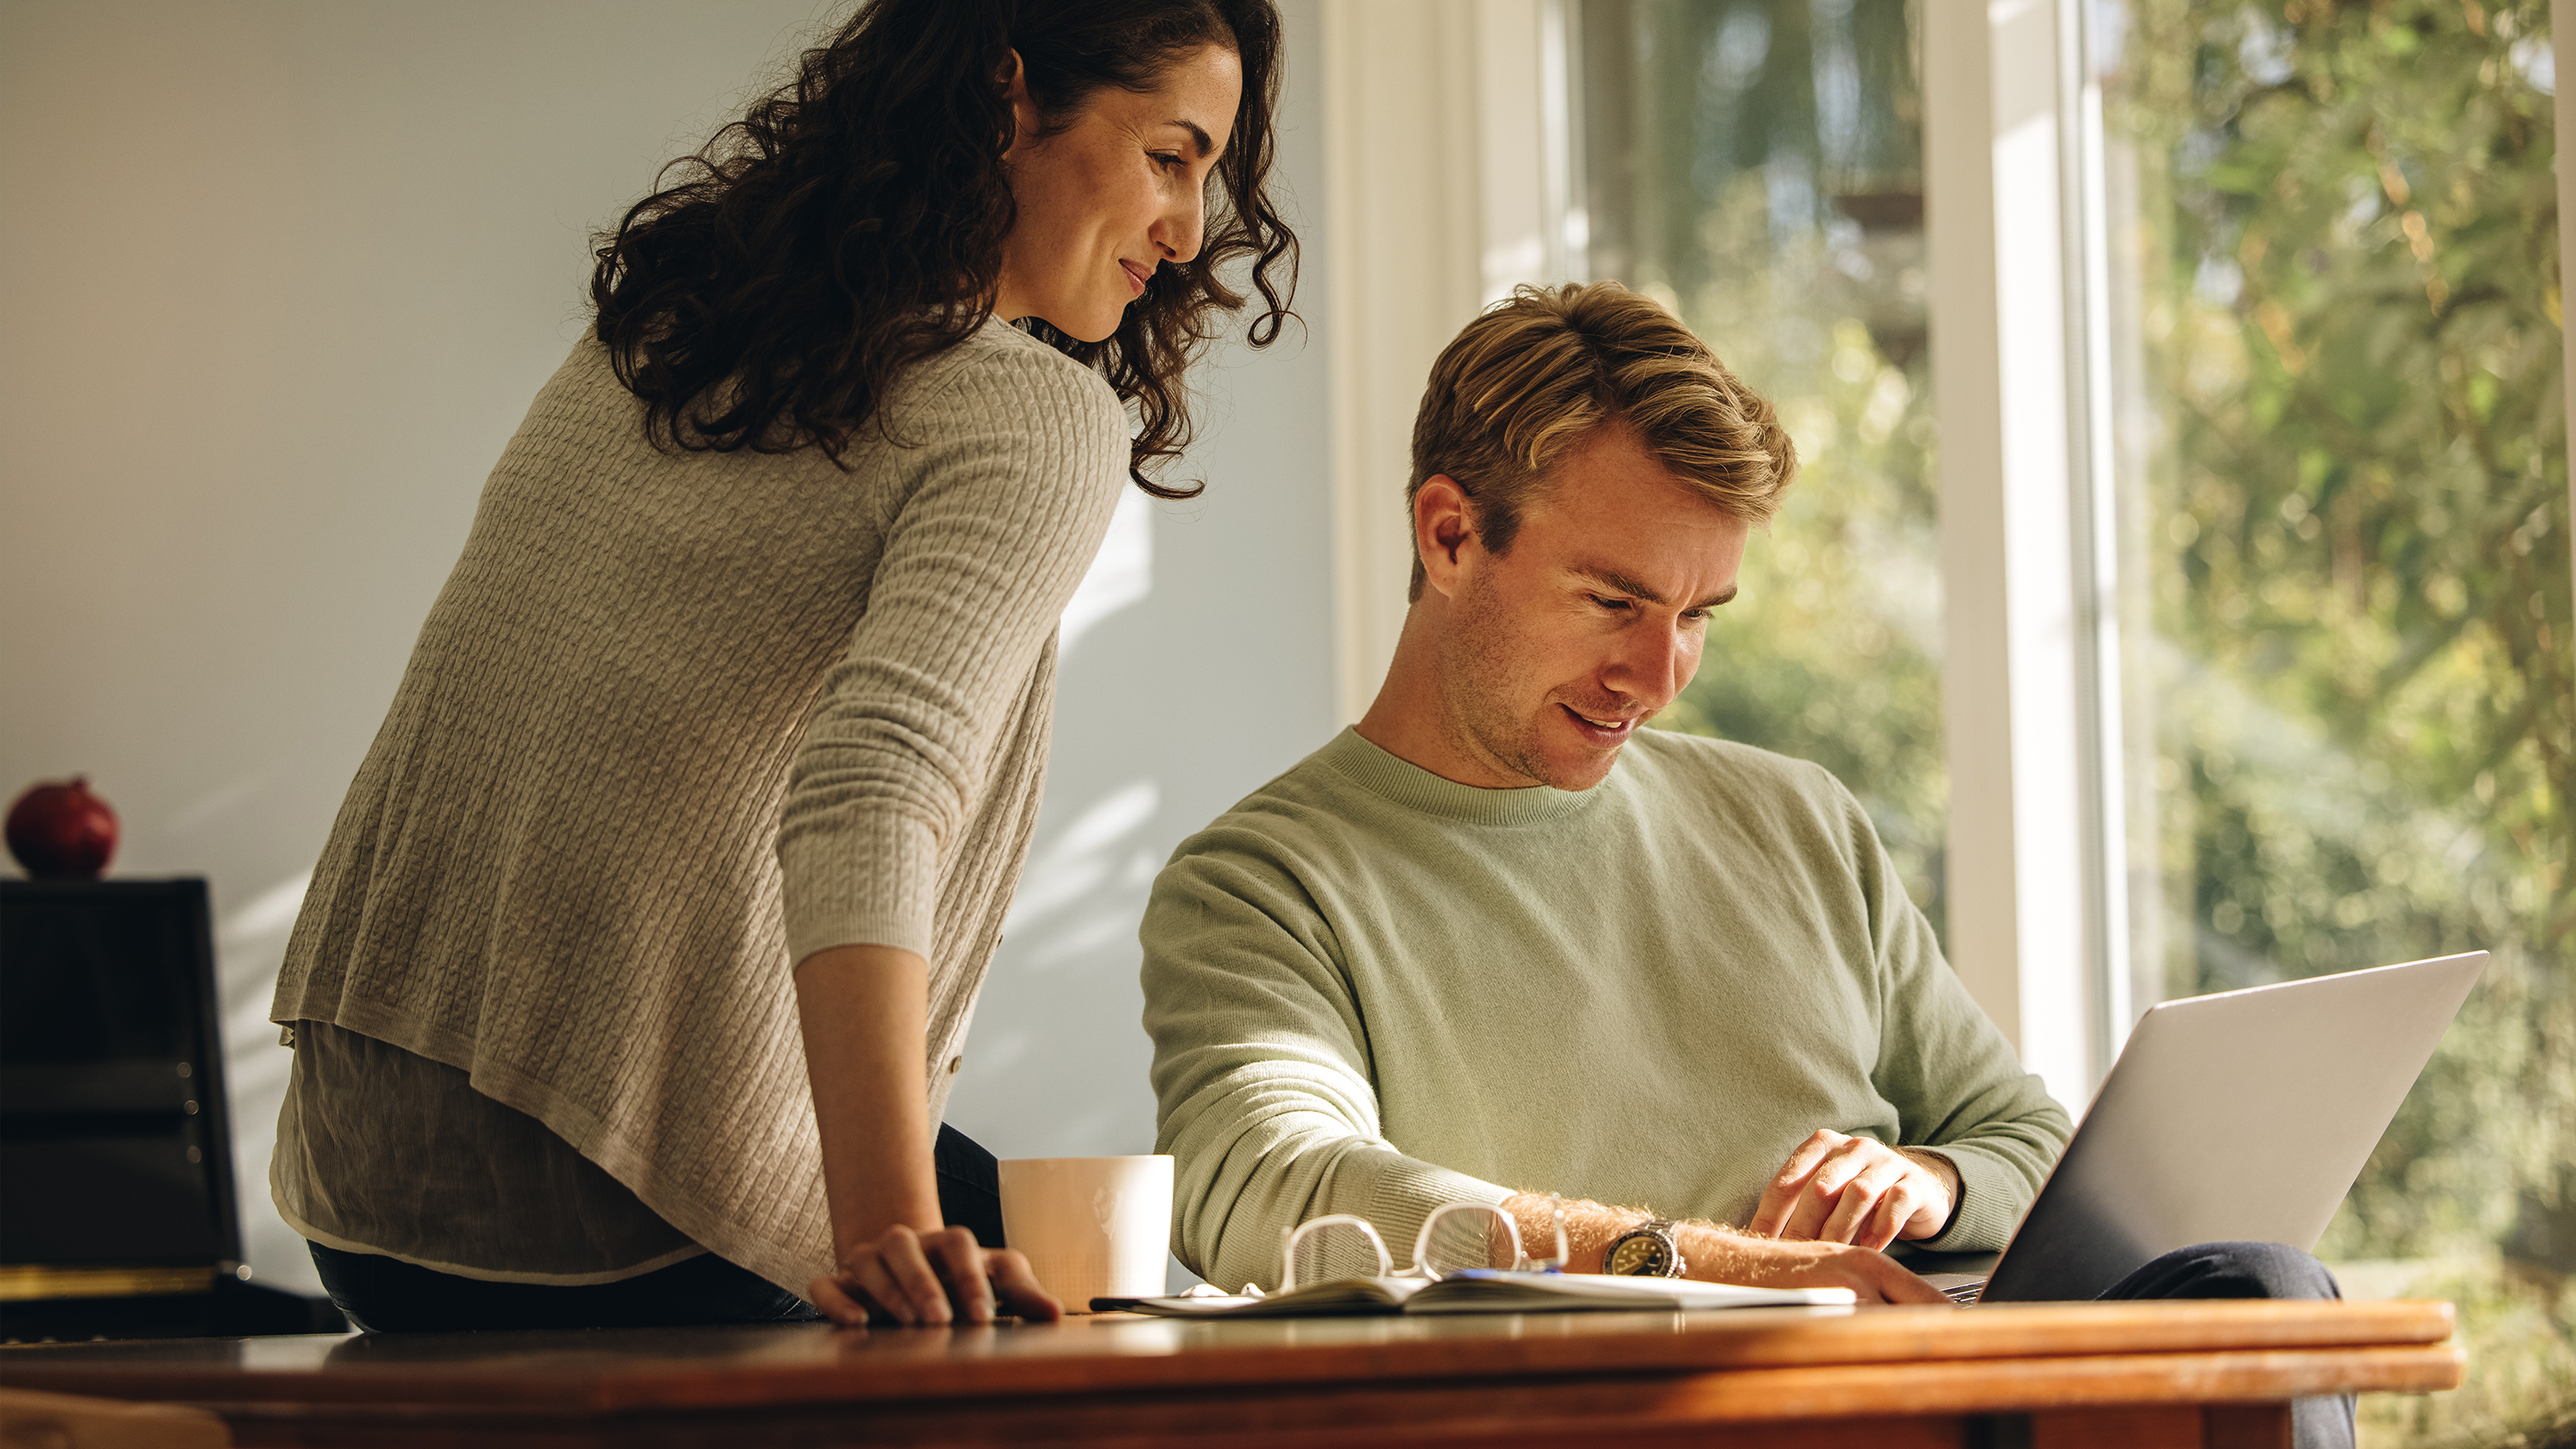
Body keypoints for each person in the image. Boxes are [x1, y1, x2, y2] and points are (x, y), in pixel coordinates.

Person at [1140, 283, 2352, 1448]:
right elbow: (1281, 1197)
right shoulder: (1261, 886)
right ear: (1450, 534)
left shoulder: (1797, 821)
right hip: (1637, 1419)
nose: (1660, 677)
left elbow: (2027, 1142)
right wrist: (1736, 1274)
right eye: (1614, 601)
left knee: (2261, 1286)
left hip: (1932, 1399)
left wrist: (1921, 1182)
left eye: (1701, 614)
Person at [267, 0, 1294, 1335]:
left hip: (357, 1180)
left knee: (1066, 1255)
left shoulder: (673, 329)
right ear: (1008, 100)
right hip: (605, 1210)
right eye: (1170, 155)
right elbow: (872, 791)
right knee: (1123, 1324)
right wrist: (891, 1242)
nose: (1190, 226)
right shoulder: (1031, 411)